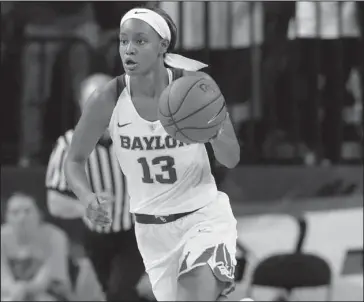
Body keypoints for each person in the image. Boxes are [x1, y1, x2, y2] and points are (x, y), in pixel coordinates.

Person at [65, 6, 242, 301]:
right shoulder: (108, 97)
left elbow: (231, 158)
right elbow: (73, 160)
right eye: (124, 41)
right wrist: (86, 197)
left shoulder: (196, 87)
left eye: (140, 41)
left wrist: (211, 129)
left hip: (200, 216)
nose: (129, 49)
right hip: (148, 228)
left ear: (163, 45)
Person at [45, 73, 153, 301]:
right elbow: (54, 202)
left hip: (137, 229)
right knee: (114, 293)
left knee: (119, 291)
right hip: (97, 236)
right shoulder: (69, 145)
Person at [1, 192, 72, 301]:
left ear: (39, 214)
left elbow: (49, 276)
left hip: (49, 292)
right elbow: (3, 275)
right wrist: (14, 290)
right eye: (15, 213)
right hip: (10, 293)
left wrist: (25, 289)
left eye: (27, 211)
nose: (22, 217)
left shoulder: (55, 236)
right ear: (6, 217)